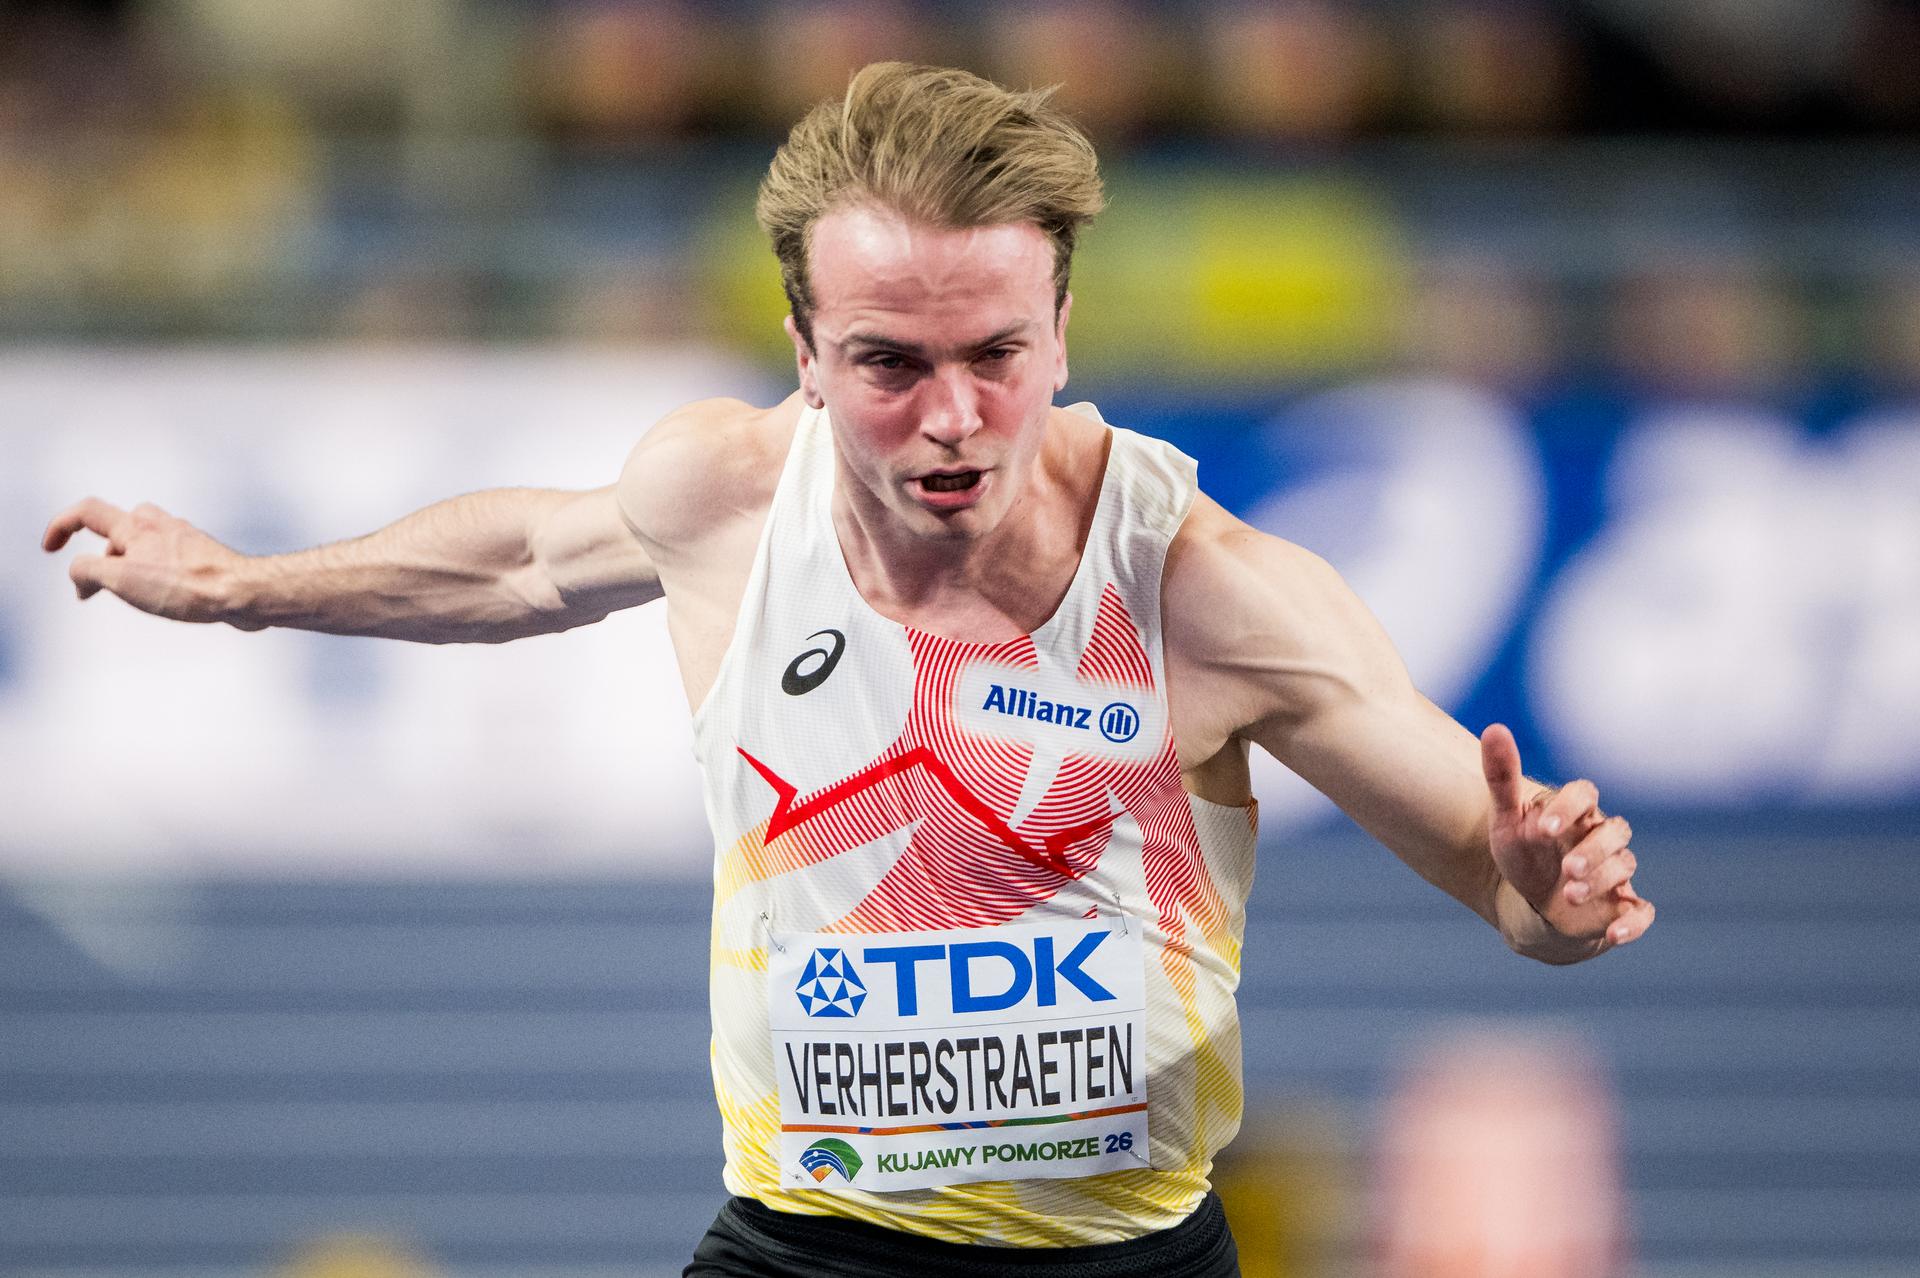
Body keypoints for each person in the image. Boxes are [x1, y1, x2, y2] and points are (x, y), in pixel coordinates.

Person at [41, 62, 1653, 1278]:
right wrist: (244, 584)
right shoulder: (727, 502)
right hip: (809, 1244)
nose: (950, 417)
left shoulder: (1209, 589)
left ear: (1064, 328)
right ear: (805, 350)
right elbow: (520, 560)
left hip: (1122, 1257)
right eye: (887, 362)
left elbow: (1511, 890)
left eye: (994, 356)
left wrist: (1544, 891)